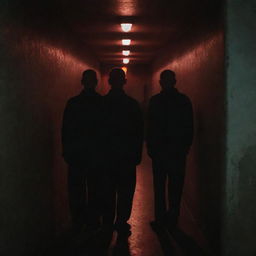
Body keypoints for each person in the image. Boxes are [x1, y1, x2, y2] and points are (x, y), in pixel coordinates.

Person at [146, 70, 193, 231]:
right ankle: (173, 219)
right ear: (175, 81)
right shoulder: (183, 101)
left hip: (160, 151)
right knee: (176, 187)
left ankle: (160, 220)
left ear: (160, 82)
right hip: (177, 152)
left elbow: (150, 127)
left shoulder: (155, 101)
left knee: (159, 187)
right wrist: (185, 147)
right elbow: (189, 127)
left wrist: (150, 148)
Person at [61, 69, 104, 234]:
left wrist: (67, 151)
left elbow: (66, 130)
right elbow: (105, 130)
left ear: (82, 81)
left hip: (78, 154)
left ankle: (78, 221)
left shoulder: (73, 103)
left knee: (77, 189)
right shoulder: (101, 103)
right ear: (95, 82)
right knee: (94, 188)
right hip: (94, 154)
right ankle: (93, 220)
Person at [103, 68, 144, 237]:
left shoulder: (102, 104)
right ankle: (121, 221)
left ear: (109, 82)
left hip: (107, 156)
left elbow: (97, 132)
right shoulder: (132, 104)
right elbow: (138, 132)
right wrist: (137, 154)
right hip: (126, 155)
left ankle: (107, 220)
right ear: (124, 82)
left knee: (107, 190)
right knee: (126, 190)